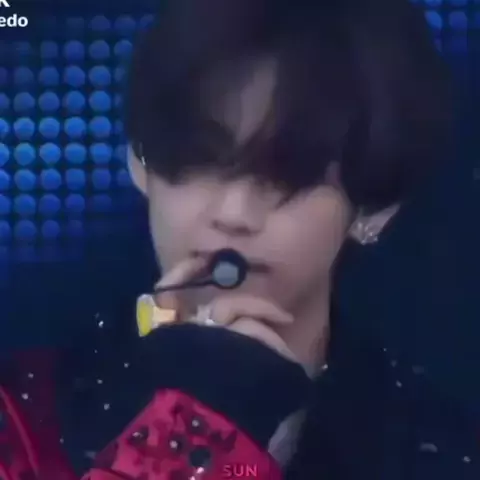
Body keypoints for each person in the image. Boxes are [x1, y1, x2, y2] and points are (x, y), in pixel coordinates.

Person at [0, 0, 467, 479]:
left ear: (374, 207)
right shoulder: (22, 416)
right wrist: (192, 426)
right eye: (200, 159)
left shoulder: (436, 450)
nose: (234, 215)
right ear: (139, 162)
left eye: (290, 175)